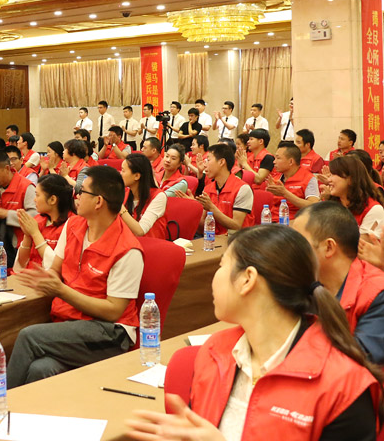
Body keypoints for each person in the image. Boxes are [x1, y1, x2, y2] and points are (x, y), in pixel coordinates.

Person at [127, 225, 382, 441]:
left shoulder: (343, 386)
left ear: (247, 279)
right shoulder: (215, 352)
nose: (215, 277)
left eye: (222, 265)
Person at [7, 166, 143, 387]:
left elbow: (113, 310)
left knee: (28, 336)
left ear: (98, 202)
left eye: (82, 191)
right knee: (41, 369)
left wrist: (60, 290)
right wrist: (46, 279)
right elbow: (56, 269)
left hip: (110, 333)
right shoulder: (73, 225)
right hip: (75, 322)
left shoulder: (127, 250)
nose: (76, 196)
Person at [292, 202, 384, 364]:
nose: (290, 249)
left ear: (328, 247)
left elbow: (359, 360)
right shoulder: (299, 283)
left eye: (298, 242)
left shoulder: (376, 292)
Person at [15, 174, 77, 271]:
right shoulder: (37, 219)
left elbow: (56, 268)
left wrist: (35, 233)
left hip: (48, 278)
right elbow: (21, 264)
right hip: (28, 276)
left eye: (37, 195)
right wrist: (27, 236)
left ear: (52, 199)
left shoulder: (73, 225)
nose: (34, 199)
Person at [195, 144, 254, 235]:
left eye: (208, 160)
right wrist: (193, 208)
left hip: (237, 239)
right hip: (213, 238)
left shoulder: (242, 189)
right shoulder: (208, 189)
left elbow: (236, 226)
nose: (204, 164)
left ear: (221, 162)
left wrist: (211, 208)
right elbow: (202, 229)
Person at [325, 156, 384, 236]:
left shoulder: (373, 209)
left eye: (333, 175)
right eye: (330, 175)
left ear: (351, 179)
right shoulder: (331, 204)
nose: (329, 180)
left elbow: (360, 242)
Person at [119, 153, 168, 238]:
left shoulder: (159, 197)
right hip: (129, 242)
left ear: (137, 176)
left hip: (150, 244)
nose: (120, 174)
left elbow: (140, 231)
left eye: (123, 171)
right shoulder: (125, 193)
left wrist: (119, 207)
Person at [265, 143, 320, 215]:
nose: (274, 162)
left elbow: (313, 206)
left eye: (278, 158)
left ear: (291, 161)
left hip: (295, 219)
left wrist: (285, 193)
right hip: (273, 218)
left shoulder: (309, 178)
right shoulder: (276, 178)